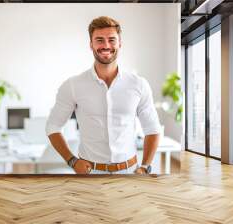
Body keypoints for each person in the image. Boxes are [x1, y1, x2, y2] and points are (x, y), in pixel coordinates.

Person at [45, 16, 161, 175]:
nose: (106, 45)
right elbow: (53, 127)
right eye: (99, 40)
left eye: (112, 40)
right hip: (90, 173)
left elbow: (152, 129)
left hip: (130, 173)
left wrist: (145, 166)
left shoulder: (139, 84)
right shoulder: (73, 85)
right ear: (91, 44)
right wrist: (72, 161)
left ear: (120, 43)